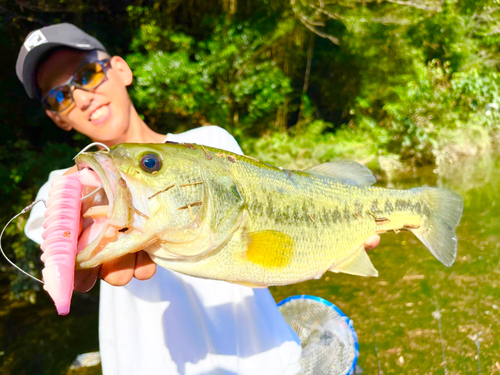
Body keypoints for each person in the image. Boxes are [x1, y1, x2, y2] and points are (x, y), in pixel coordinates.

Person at [16, 23, 380, 375]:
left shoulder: (212, 143)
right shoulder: (59, 189)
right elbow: (58, 223)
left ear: (121, 69)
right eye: (60, 96)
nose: (80, 97)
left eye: (86, 75)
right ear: (57, 118)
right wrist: (77, 226)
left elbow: (266, 257)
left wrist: (334, 239)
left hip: (265, 362)